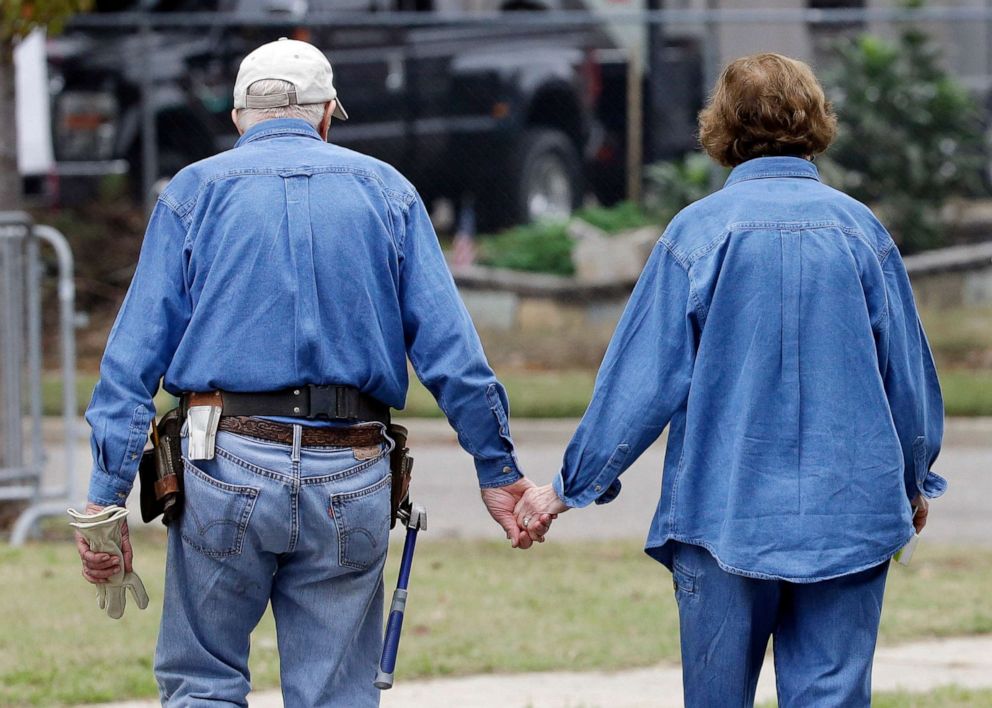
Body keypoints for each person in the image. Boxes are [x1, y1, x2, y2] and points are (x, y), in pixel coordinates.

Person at [75, 38, 550, 706]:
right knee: (337, 694)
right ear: (328, 114)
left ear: (240, 117)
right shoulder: (389, 193)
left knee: (203, 683)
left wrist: (105, 495)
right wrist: (497, 471)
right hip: (352, 472)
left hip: (223, 462)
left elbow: (130, 363)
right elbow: (455, 357)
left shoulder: (192, 194)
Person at [515, 52, 946, 707]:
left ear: (721, 126)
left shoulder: (696, 237)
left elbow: (639, 383)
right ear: (817, 120)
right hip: (849, 516)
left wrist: (567, 488)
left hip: (722, 516)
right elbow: (907, 383)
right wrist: (915, 480)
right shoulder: (864, 236)